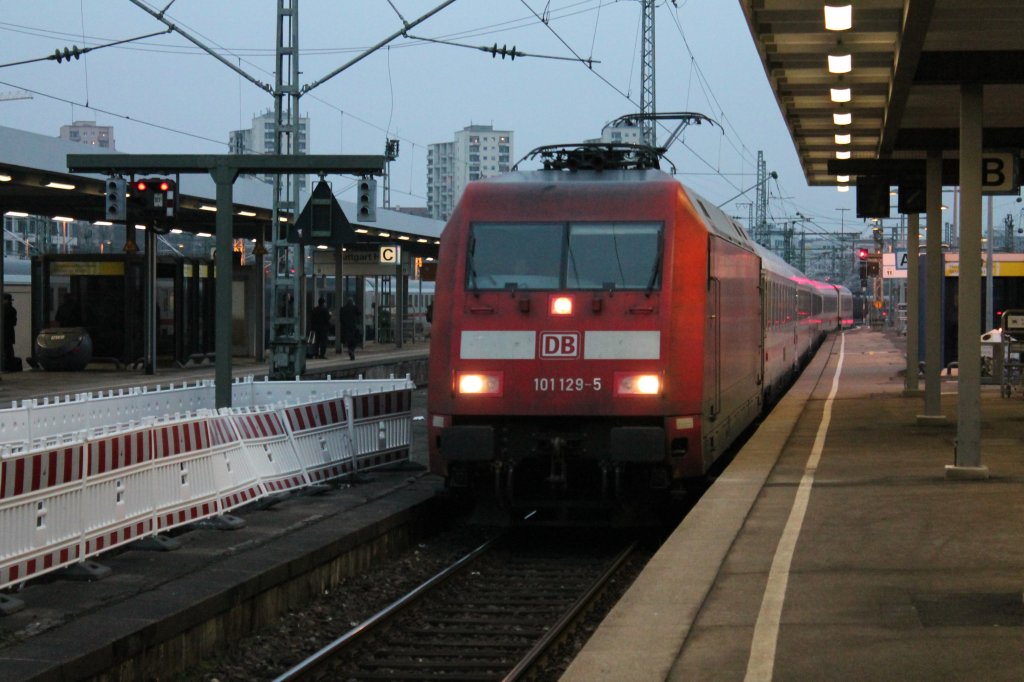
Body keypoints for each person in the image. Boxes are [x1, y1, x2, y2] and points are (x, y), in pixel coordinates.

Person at [2, 293, 16, 371]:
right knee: (9, 350)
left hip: (3, 333)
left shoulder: (2, 309)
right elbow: (14, 322)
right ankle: (10, 367)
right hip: (9, 333)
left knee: (4, 350)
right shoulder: (12, 310)